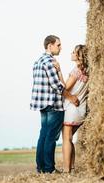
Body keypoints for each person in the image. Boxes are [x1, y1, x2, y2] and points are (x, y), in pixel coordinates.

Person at [30, 35, 79, 174]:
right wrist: (71, 98)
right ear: (50, 45)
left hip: (42, 104)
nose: (60, 47)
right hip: (53, 104)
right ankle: (49, 169)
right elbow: (57, 85)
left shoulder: (38, 61)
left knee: (43, 135)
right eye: (58, 45)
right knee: (51, 137)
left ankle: (40, 167)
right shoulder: (50, 62)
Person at [54, 45, 89, 173]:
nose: (71, 53)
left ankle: (66, 170)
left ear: (79, 56)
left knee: (66, 139)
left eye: (74, 52)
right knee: (69, 139)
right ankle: (72, 167)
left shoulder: (77, 70)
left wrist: (59, 72)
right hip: (81, 109)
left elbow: (64, 88)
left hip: (71, 109)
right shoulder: (88, 70)